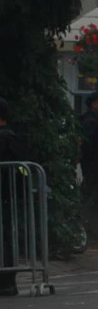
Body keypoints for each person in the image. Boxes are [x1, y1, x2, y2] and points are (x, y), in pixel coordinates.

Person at [0, 98, 29, 295]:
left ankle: (6, 281)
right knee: (7, 237)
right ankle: (8, 282)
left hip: (5, 195)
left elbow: (22, 169)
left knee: (5, 238)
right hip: (9, 196)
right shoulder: (14, 136)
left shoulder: (6, 138)